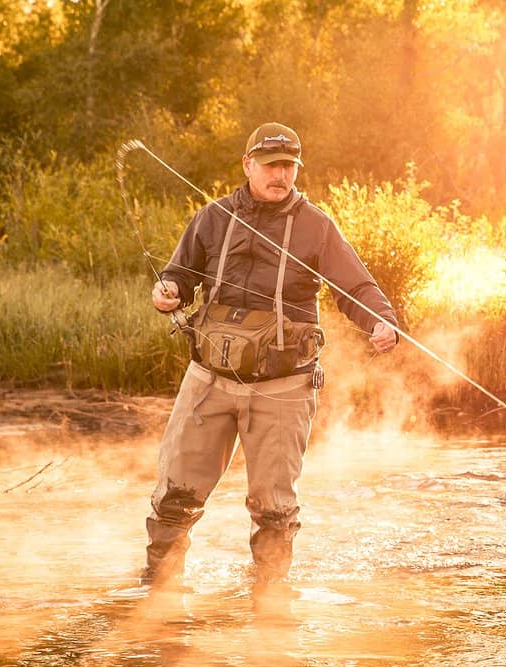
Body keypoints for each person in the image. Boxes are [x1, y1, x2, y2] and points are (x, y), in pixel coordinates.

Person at [144, 122, 399, 596]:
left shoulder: (316, 227)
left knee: (273, 506)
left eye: (289, 167)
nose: (281, 175)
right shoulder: (213, 217)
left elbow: (356, 287)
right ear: (248, 165)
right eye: (271, 165)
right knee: (176, 494)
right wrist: (169, 292)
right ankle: (157, 592)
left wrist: (380, 321)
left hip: (284, 386)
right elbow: (178, 273)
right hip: (209, 379)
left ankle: (270, 599)